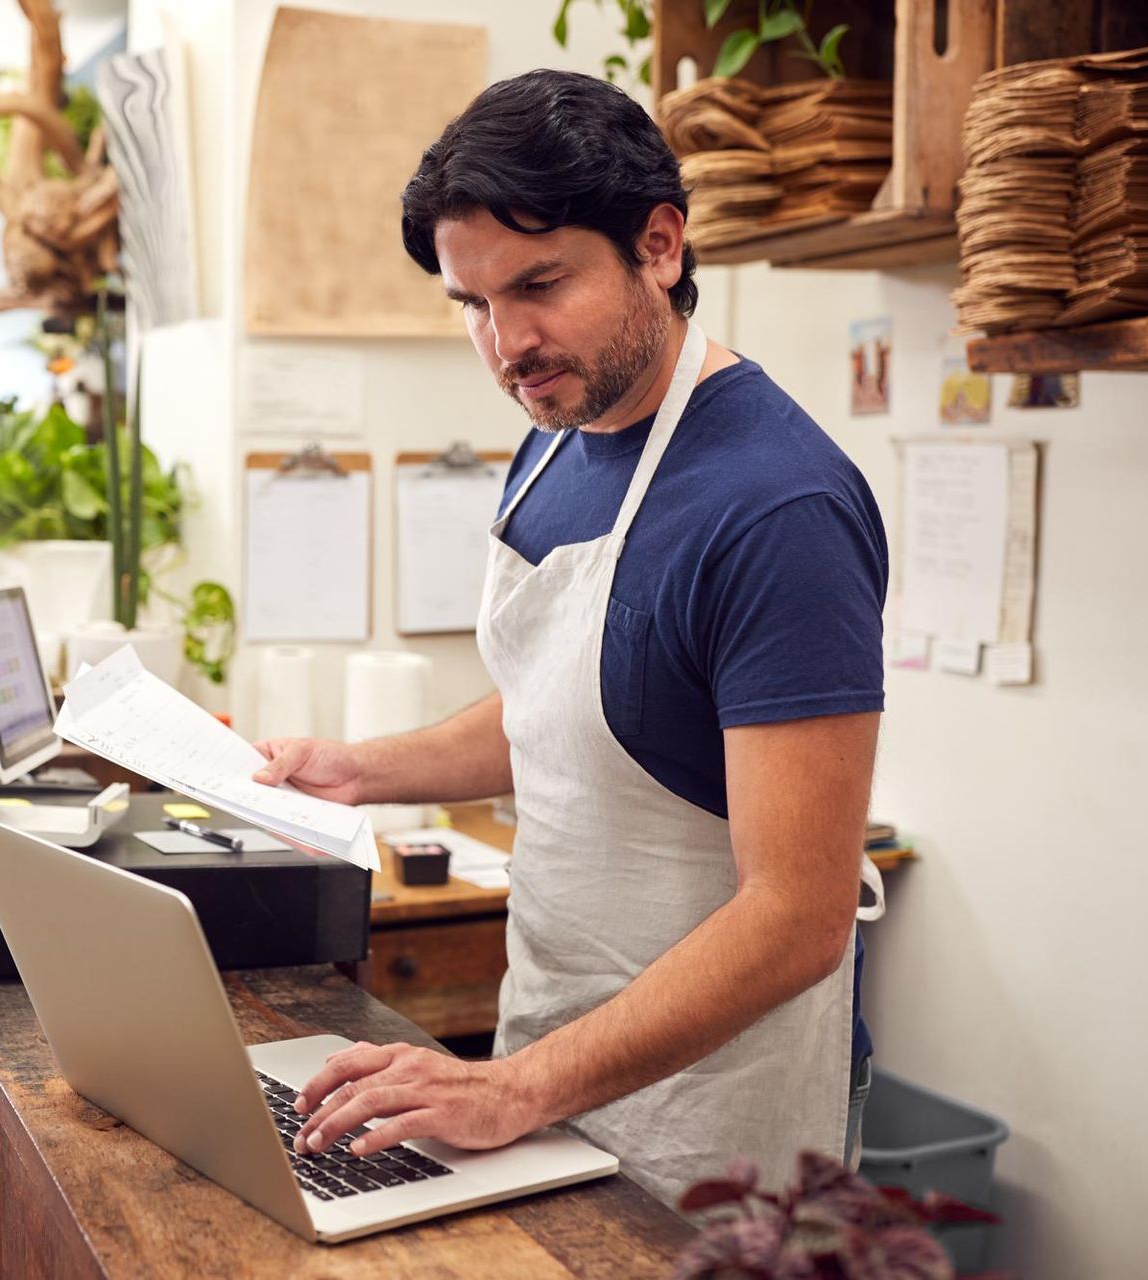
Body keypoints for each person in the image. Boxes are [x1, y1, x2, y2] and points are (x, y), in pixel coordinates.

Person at [255, 69, 887, 1205]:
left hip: (715, 1127)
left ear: (659, 244)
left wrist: (509, 1088)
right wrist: (364, 769)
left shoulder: (778, 508)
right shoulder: (557, 433)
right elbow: (579, 699)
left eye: (539, 284)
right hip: (546, 1068)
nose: (508, 344)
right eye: (473, 304)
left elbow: (801, 915)